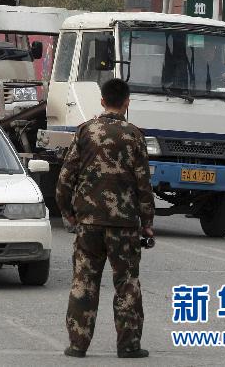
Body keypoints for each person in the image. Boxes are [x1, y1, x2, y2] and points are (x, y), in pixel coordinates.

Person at [55, 78, 154, 359]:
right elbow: (143, 184)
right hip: (124, 225)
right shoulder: (134, 135)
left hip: (89, 222)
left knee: (84, 281)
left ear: (101, 101)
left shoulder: (86, 132)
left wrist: (68, 212)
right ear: (127, 102)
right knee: (127, 282)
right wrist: (147, 221)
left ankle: (78, 345)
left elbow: (65, 178)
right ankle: (129, 345)